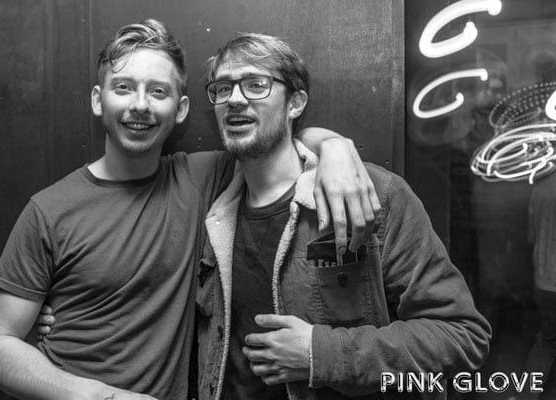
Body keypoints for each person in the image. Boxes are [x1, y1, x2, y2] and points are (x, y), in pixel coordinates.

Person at [0, 19, 379, 400]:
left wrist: (334, 147)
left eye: (158, 91)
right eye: (123, 88)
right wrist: (103, 396)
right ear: (98, 100)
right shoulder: (49, 210)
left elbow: (274, 141)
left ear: (181, 109)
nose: (140, 105)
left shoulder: (203, 177)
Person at [195, 33, 492, 400]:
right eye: (223, 88)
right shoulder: (210, 207)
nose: (235, 99)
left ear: (295, 103)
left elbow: (461, 336)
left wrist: (322, 355)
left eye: (256, 84)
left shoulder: (374, 194)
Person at [523, 171, 556, 399]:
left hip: (544, 282)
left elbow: (531, 237)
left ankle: (526, 395)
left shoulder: (540, 188)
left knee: (546, 341)